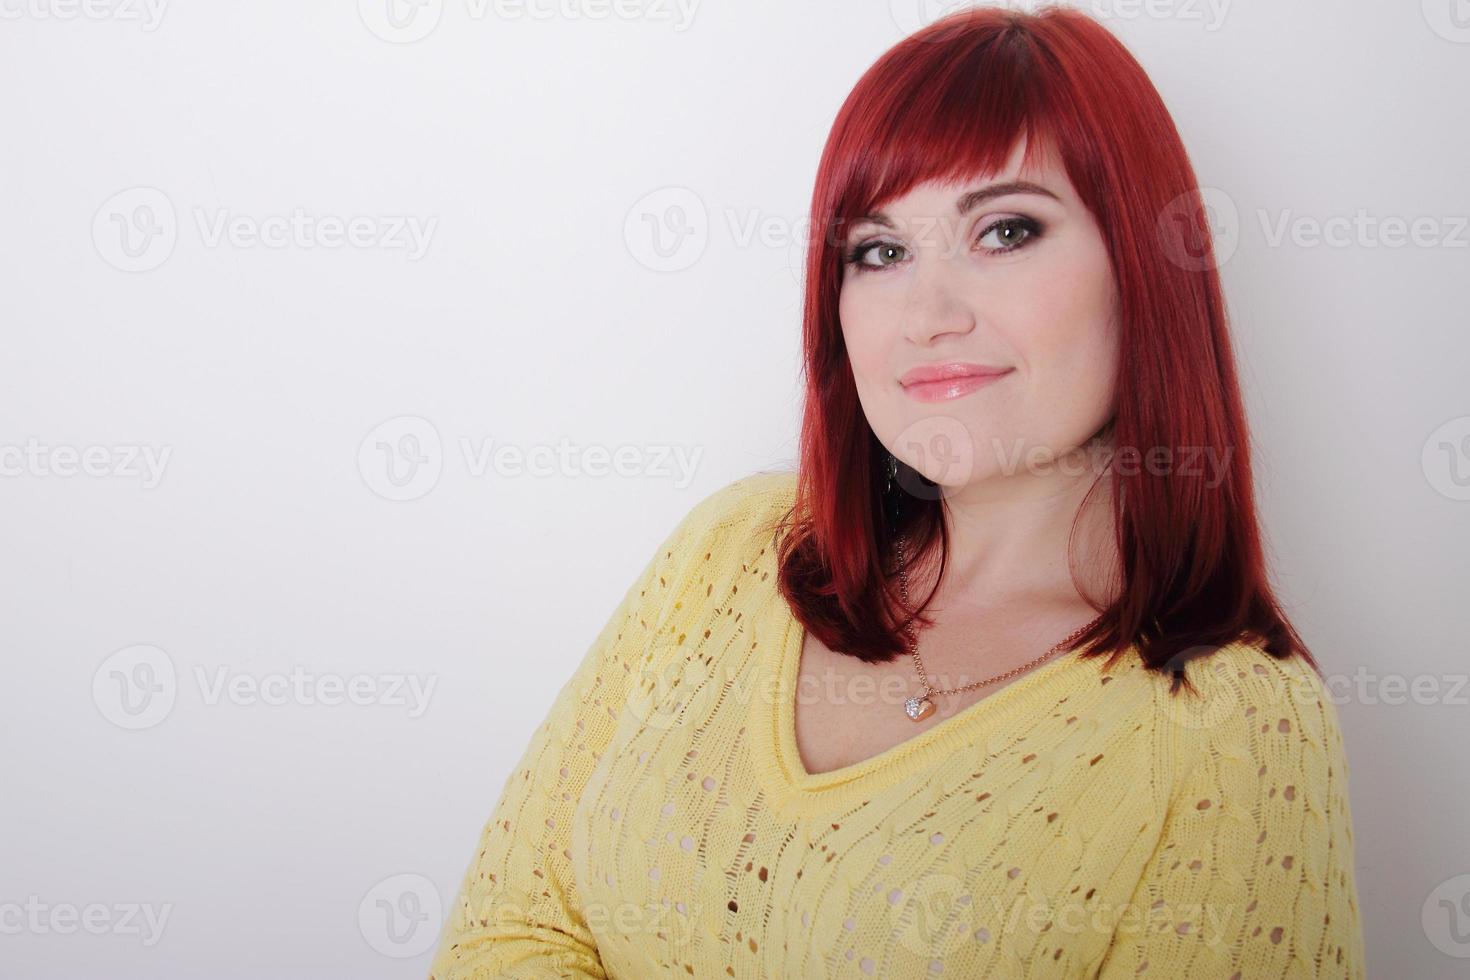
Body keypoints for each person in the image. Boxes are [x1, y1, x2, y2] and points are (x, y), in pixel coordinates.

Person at [429, 6, 1366, 977]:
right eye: (878, 250)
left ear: (1142, 268)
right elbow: (507, 933)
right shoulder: (729, 550)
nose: (928, 312)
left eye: (1005, 229)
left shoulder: (1237, 729)